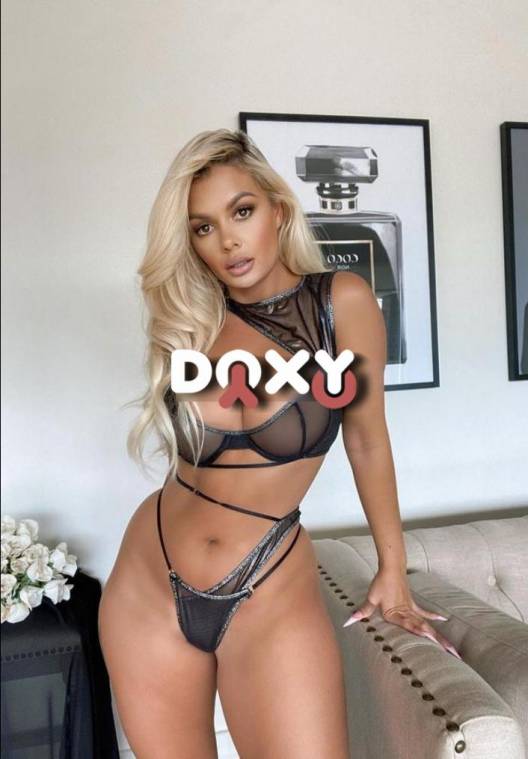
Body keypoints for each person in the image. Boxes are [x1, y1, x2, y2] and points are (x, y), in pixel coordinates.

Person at [98, 129, 461, 759]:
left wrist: (392, 569)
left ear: (278, 210)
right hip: (149, 578)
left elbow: (368, 441)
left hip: (267, 580)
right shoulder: (193, 319)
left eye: (241, 212)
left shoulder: (340, 303)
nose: (228, 241)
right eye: (204, 227)